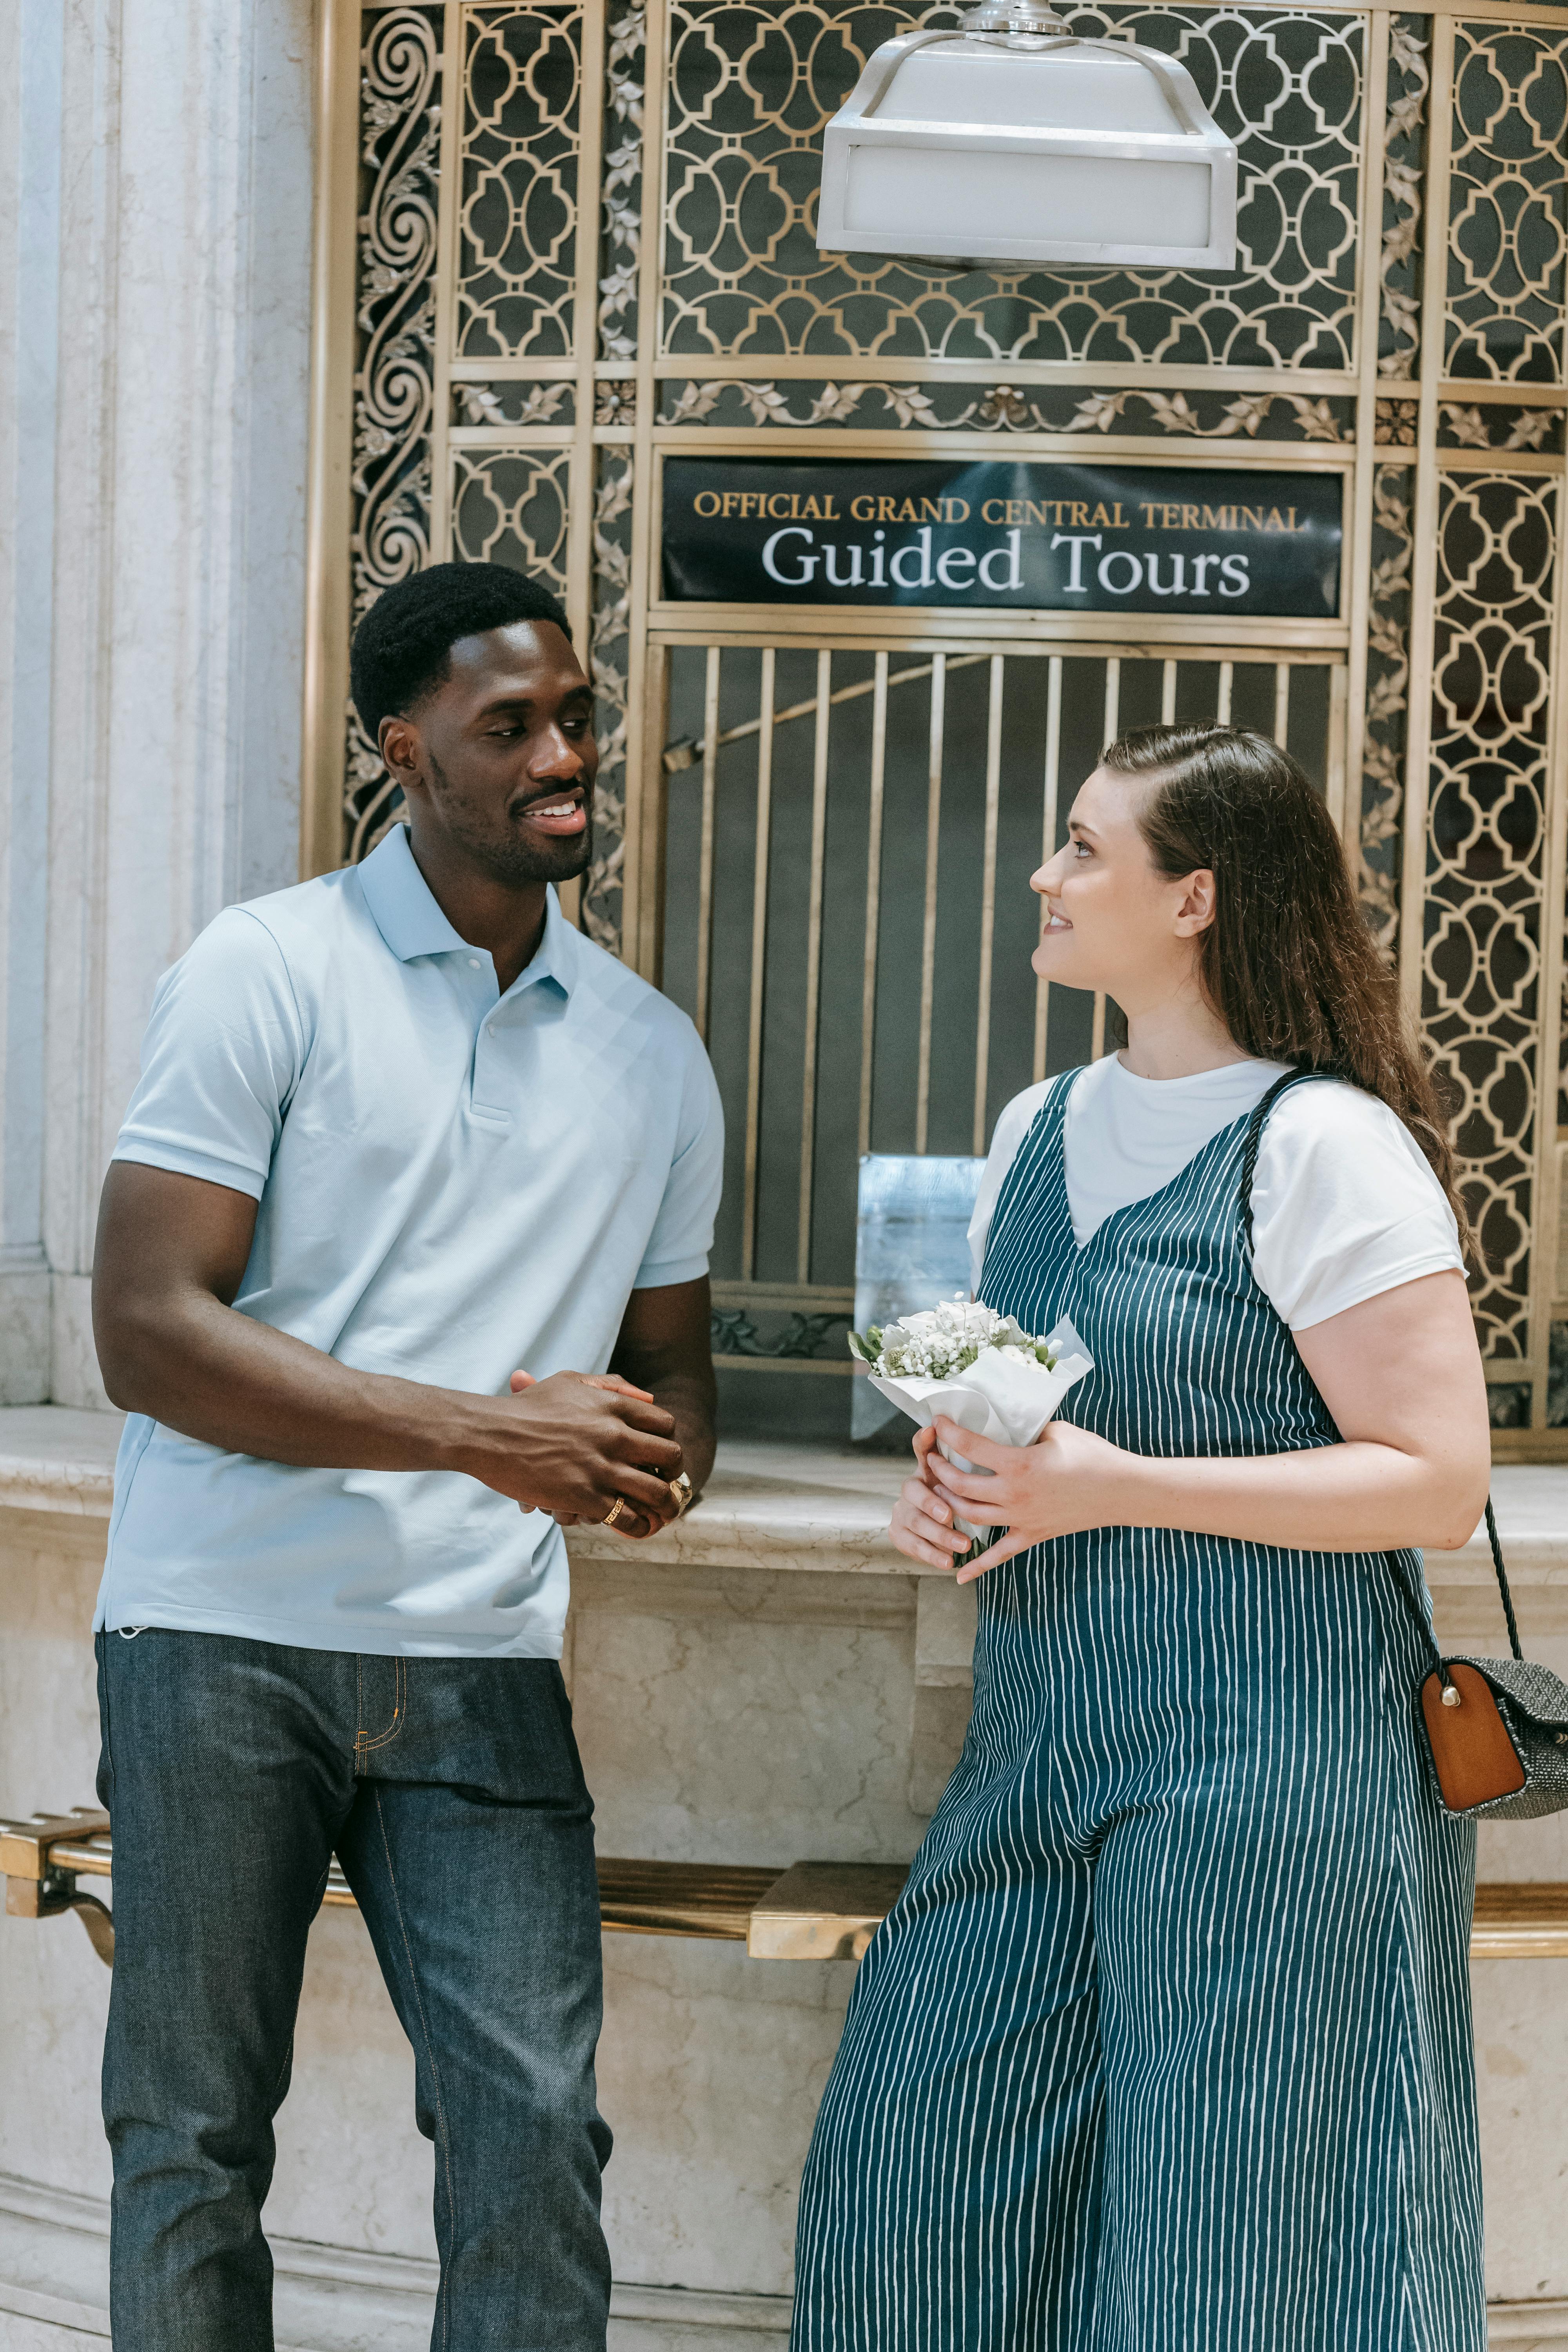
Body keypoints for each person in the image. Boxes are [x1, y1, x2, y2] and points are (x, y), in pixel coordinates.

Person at [791, 723, 1490, 2350]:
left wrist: (1115, 1486)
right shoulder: (1035, 1128)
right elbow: (1027, 1432)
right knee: (915, 2200)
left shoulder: (1323, 1144)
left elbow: (1436, 1481)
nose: (1044, 876)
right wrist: (958, 1500)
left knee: (1232, 2263)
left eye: (1085, 851)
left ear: (1192, 900)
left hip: (1276, 1763)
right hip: (1040, 1743)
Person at [90, 560, 723, 2349]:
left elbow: (670, 1381)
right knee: (192, 2143)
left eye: (578, 717)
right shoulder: (262, 967)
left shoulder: (654, 1055)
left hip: (480, 1661)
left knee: (534, 2137)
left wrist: (640, 1467)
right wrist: (482, 1431)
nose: (563, 755)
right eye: (508, 726)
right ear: (404, 751)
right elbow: (145, 1330)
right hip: (216, 1641)